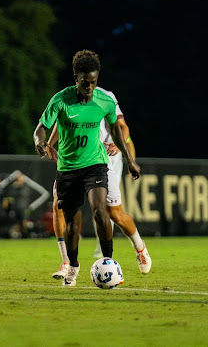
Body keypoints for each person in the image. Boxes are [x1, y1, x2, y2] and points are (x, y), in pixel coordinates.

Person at [33, 49, 140, 287]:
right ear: (76, 78)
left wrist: (130, 160)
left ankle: (109, 263)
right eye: (85, 82)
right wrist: (41, 143)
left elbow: (116, 130)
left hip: (96, 164)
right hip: (69, 167)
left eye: (93, 82)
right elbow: (40, 128)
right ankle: (73, 265)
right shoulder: (61, 100)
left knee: (101, 212)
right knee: (72, 223)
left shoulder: (105, 100)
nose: (89, 87)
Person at [46, 87, 151, 280]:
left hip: (104, 160)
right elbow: (62, 122)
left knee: (114, 214)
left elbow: (122, 126)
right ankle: (67, 262)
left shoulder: (106, 97)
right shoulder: (69, 97)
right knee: (58, 206)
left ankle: (140, 248)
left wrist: (122, 144)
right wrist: (49, 143)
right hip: (75, 160)